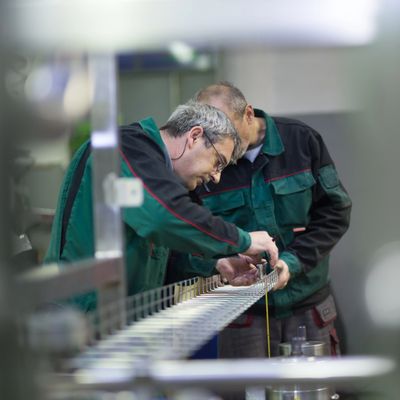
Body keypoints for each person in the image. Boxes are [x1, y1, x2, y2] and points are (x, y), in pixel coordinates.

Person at [167, 82, 352, 360]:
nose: (222, 140)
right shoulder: (202, 168)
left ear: (249, 114)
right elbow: (186, 239)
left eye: (227, 127)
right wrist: (216, 264)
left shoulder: (302, 142)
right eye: (212, 133)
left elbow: (335, 213)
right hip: (241, 313)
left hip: (308, 303)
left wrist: (292, 263)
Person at [45, 101, 278, 311]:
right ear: (194, 136)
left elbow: (155, 254)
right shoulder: (122, 149)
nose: (216, 177)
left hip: (117, 321)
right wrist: (244, 240)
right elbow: (162, 218)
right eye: (218, 162)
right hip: (79, 320)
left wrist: (217, 264)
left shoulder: (157, 177)